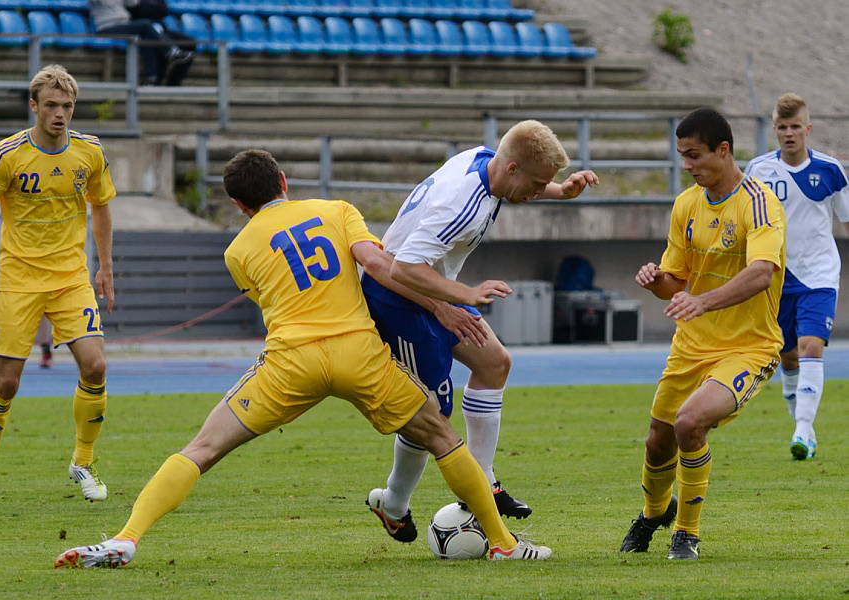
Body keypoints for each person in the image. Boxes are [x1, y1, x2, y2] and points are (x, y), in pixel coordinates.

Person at [54, 149, 552, 569]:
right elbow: (382, 267)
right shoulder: (336, 210)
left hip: (291, 361)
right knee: (442, 436)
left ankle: (128, 537)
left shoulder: (236, 251)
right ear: (284, 182)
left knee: (202, 448)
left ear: (238, 204)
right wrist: (445, 304)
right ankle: (504, 546)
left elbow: (271, 297)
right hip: (360, 353)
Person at [361, 120, 599, 542]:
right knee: (432, 414)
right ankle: (394, 503)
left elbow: (522, 180)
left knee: (494, 362)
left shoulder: (488, 162)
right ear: (511, 169)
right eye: (539, 182)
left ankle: (483, 481)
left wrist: (562, 191)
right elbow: (401, 268)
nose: (538, 189)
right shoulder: (462, 204)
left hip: (429, 288)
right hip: (398, 297)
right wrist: (459, 298)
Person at [619, 107, 785, 560]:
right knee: (658, 439)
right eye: (681, 156)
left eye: (693, 156)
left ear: (723, 149)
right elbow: (676, 282)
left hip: (749, 347)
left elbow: (761, 274)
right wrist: (658, 281)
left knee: (690, 423)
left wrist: (701, 300)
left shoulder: (759, 202)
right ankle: (655, 512)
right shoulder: (687, 204)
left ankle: (686, 534)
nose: (687, 166)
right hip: (691, 345)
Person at [0, 64, 116, 512]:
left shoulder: (89, 152)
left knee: (96, 367)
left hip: (70, 279)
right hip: (20, 281)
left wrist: (104, 267)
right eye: (51, 105)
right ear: (33, 106)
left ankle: (83, 462)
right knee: (7, 384)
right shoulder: (5, 155)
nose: (60, 114)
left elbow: (102, 206)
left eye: (67, 106)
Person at [745, 93, 849, 460]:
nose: (789, 133)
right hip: (774, 277)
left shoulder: (831, 170)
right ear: (774, 129)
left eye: (795, 127)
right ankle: (803, 426)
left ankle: (803, 432)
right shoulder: (757, 171)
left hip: (819, 273)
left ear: (808, 128)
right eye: (782, 127)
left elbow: (846, 218)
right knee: (787, 356)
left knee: (811, 346)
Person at [88, 0, 193, 86]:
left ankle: (151, 79)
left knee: (147, 36)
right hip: (107, 27)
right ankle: (171, 51)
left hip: (124, 24)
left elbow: (134, 3)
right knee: (146, 25)